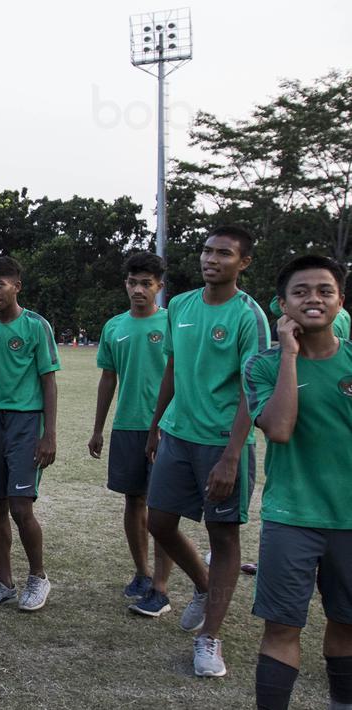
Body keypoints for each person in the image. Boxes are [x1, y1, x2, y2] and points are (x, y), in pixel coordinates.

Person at [144, 225, 269, 677]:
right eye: (206, 250)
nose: (210, 259)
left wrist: (233, 455)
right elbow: (173, 367)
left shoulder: (249, 316)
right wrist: (156, 425)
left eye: (223, 253)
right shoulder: (179, 304)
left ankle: (209, 638)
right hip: (178, 434)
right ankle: (201, 584)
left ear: (243, 262)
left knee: (224, 536)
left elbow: (250, 388)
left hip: (221, 442)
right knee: (158, 521)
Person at [246, 255, 352, 709]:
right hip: (291, 517)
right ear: (282, 304)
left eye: (325, 291)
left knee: (347, 623)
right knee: (283, 628)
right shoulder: (263, 365)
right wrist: (289, 354)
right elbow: (281, 428)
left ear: (340, 301)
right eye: (301, 291)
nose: (314, 299)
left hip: (349, 520)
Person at [0, 255, 59, 612]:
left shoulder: (36, 325)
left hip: (26, 422)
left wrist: (49, 434)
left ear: (16, 287)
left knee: (21, 507)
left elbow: (49, 382)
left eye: (0, 285)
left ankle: (38, 577)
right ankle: (4, 583)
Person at [87, 252, 174, 614]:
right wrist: (98, 429)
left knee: (164, 509)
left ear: (159, 287)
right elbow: (109, 379)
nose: (138, 290)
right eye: (133, 283)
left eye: (146, 284)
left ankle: (161, 586)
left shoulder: (172, 323)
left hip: (168, 428)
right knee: (133, 501)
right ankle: (142, 572)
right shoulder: (114, 327)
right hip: (127, 426)